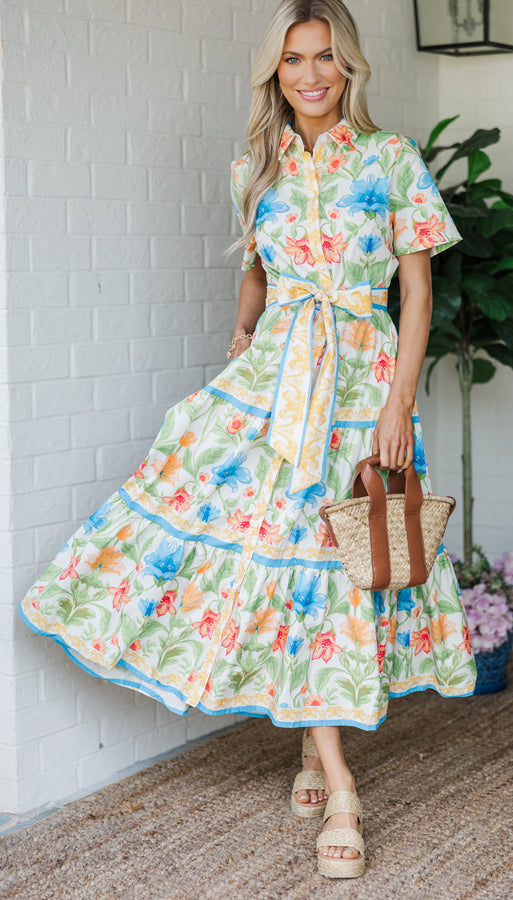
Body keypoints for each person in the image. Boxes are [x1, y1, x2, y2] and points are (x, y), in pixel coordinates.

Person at [19, 0, 477, 879]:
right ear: (276, 71)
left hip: (360, 383)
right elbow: (258, 271)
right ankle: (337, 779)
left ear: (349, 65)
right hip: (275, 379)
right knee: (257, 531)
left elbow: (416, 293)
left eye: (325, 57)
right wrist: (242, 331)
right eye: (294, 60)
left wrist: (398, 402)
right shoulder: (254, 165)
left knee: (336, 560)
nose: (311, 75)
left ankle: (320, 759)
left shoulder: (389, 159)